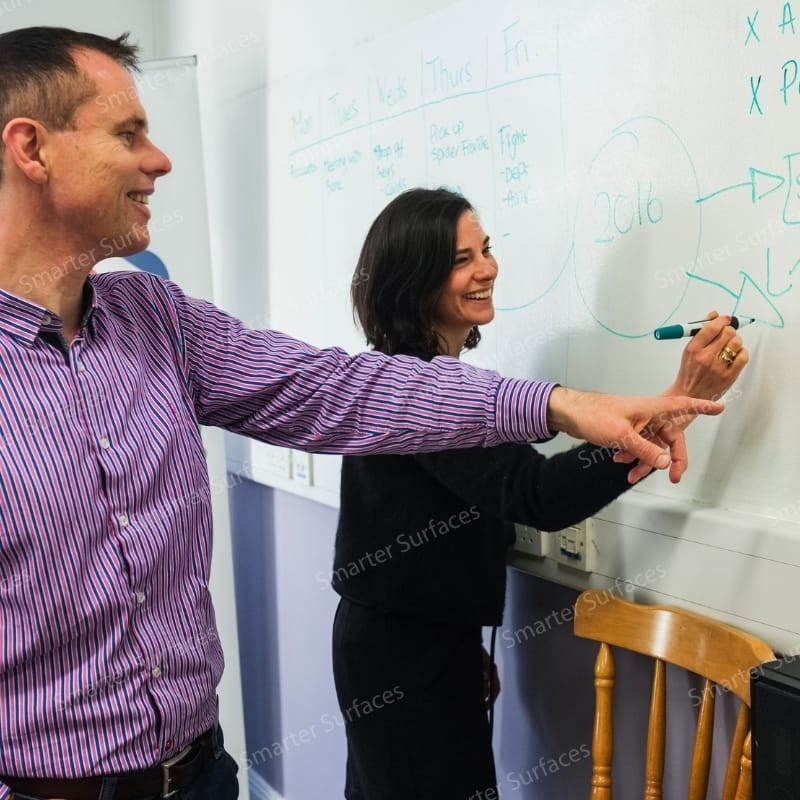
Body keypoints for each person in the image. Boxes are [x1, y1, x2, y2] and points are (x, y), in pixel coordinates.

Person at [0, 25, 729, 800]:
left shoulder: (157, 315)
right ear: (31, 149)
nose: (161, 159)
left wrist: (561, 404)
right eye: (128, 132)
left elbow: (339, 390)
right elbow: (532, 492)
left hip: (199, 773)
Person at [330, 187, 748, 799]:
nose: (487, 269)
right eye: (460, 259)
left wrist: (456, 639)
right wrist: (674, 402)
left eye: (487, 249)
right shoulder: (423, 387)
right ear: (413, 279)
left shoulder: (411, 375)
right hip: (402, 652)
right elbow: (537, 493)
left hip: (410, 639)